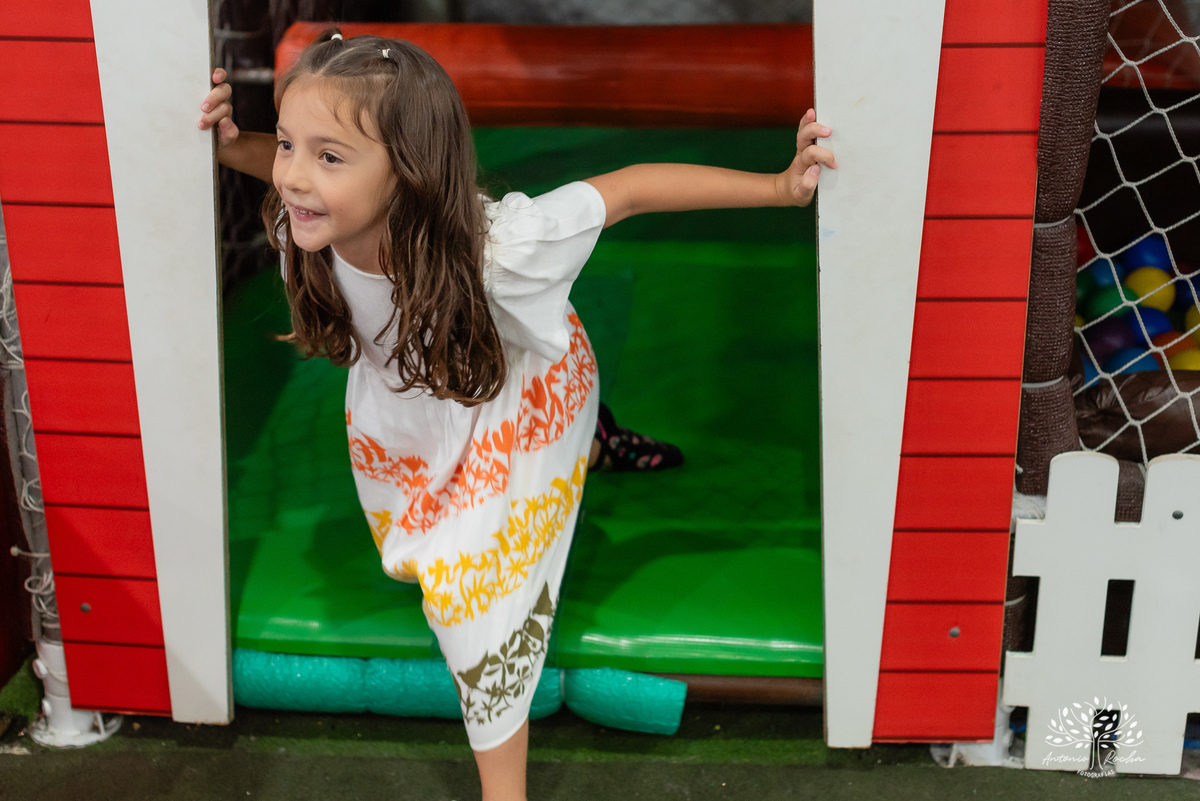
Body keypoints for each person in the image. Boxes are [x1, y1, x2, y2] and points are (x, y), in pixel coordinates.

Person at [199, 30, 834, 801]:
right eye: (290, 144)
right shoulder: (308, 220)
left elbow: (626, 189)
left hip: (529, 391)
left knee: (476, 610)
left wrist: (779, 187)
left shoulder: (500, 246)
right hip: (421, 410)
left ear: (409, 171)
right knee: (418, 549)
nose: (294, 175)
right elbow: (287, 172)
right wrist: (234, 144)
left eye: (328, 157)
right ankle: (600, 443)